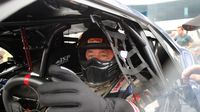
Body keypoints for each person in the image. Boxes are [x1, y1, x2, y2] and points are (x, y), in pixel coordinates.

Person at [37, 27, 142, 112]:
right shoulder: (73, 81)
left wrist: (108, 108)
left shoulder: (132, 84)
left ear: (117, 56)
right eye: (90, 55)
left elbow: (141, 107)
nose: (94, 61)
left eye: (103, 55)